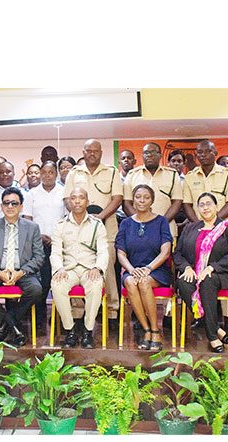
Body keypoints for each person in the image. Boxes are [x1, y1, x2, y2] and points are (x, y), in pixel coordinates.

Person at [175, 192, 228, 353]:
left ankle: (212, 336)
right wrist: (186, 267)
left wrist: (211, 267)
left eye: (209, 204)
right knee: (183, 283)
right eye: (201, 204)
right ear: (197, 208)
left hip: (222, 273)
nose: (205, 207)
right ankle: (215, 328)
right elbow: (177, 253)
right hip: (194, 273)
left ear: (216, 207)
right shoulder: (190, 228)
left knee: (208, 281)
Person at [182, 140, 228, 329]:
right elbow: (188, 204)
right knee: (197, 277)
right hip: (200, 233)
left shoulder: (227, 173)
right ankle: (203, 317)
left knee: (221, 271)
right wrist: (200, 224)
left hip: (224, 233)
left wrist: (215, 223)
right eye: (199, 152)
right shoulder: (190, 176)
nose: (203, 155)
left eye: (207, 151)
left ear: (215, 152)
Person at [0, 187, 44, 347]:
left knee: (36, 290)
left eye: (14, 203)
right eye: (6, 203)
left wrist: (21, 272)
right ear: (1, 206)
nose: (10, 206)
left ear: (21, 206)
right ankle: (13, 325)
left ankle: (6, 324)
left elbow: (39, 257)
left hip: (23, 271)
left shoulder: (32, 227)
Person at [64, 139, 123, 321]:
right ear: (83, 152)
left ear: (101, 152)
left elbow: (117, 198)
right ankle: (79, 313)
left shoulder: (112, 172)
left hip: (107, 227)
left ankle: (112, 311)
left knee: (108, 268)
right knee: (78, 265)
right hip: (79, 230)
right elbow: (68, 199)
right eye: (88, 150)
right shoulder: (74, 173)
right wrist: (84, 218)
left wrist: (98, 218)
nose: (92, 154)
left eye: (95, 151)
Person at [116, 185, 173, 350]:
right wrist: (132, 269)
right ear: (133, 200)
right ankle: (146, 329)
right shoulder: (126, 223)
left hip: (156, 270)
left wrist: (148, 268)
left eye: (146, 197)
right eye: (138, 197)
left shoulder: (161, 221)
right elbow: (121, 254)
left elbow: (166, 251)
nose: (142, 200)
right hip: (132, 269)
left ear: (152, 200)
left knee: (144, 282)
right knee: (131, 282)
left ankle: (155, 330)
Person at [50, 187, 108, 349]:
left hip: (90, 269)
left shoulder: (97, 225)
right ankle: (70, 330)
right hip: (68, 269)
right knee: (57, 285)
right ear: (69, 202)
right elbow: (55, 253)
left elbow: (103, 251)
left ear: (87, 202)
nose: (77, 201)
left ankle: (88, 331)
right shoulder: (60, 225)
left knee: (96, 285)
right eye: (73, 198)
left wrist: (98, 268)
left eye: (81, 198)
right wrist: (59, 269)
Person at [23, 160, 67, 335]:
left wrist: (56, 237)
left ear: (56, 174)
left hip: (58, 244)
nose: (47, 175)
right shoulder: (31, 194)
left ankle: (59, 317)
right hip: (36, 243)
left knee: (55, 280)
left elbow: (66, 217)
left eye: (51, 172)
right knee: (38, 282)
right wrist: (38, 236)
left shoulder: (64, 192)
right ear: (40, 174)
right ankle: (39, 317)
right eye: (44, 172)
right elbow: (27, 219)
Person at [124, 142, 182, 238]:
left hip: (166, 229)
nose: (149, 155)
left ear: (160, 155)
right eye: (146, 153)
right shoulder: (132, 175)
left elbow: (177, 202)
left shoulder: (172, 175)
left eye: (153, 152)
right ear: (142, 156)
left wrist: (160, 223)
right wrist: (141, 221)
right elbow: (126, 204)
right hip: (138, 230)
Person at [115, 149, 137, 224]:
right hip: (117, 217)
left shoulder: (139, 178)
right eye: (123, 158)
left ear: (134, 161)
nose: (126, 160)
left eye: (129, 158)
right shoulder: (114, 178)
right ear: (119, 162)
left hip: (135, 216)